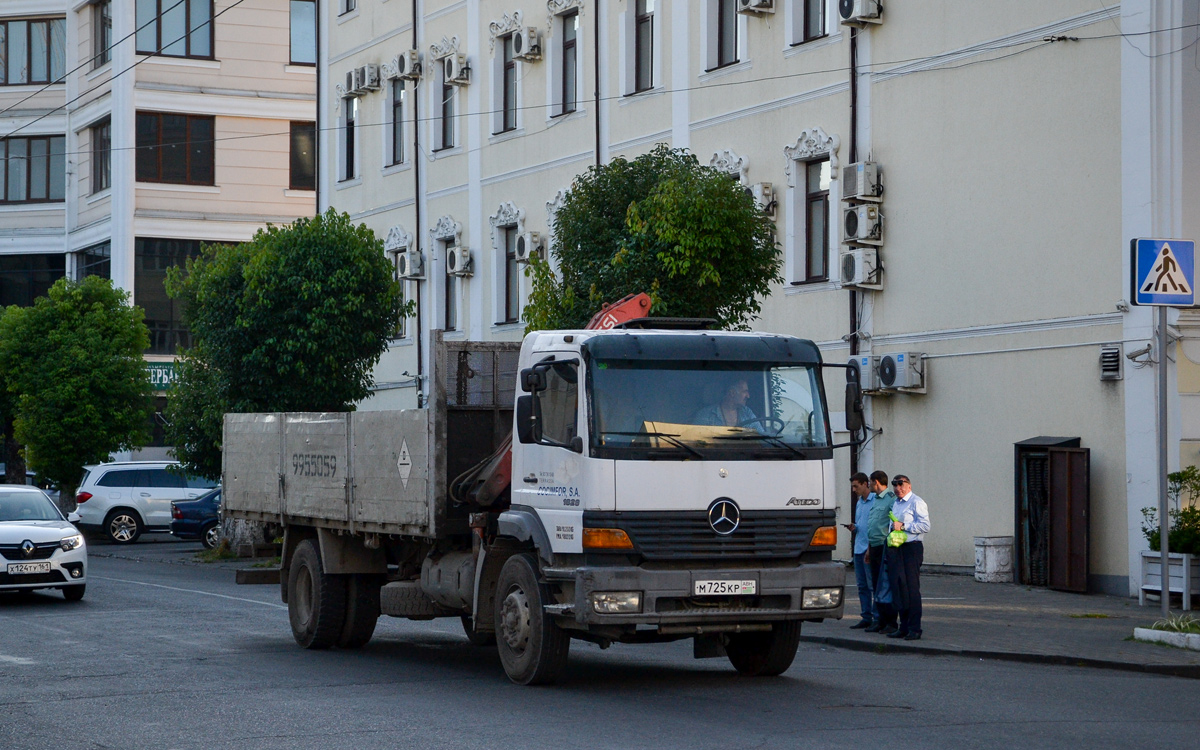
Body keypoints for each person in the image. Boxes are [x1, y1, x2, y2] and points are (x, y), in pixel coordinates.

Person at [885, 474, 930, 641]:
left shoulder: (917, 502)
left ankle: (914, 628)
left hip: (912, 548)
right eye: (895, 485)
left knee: (911, 588)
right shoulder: (896, 503)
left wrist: (904, 525)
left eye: (901, 485)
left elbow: (926, 526)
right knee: (898, 587)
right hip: (896, 547)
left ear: (909, 486)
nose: (898, 488)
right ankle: (903, 626)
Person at [864, 470, 898, 634]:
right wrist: (869, 549)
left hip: (885, 546)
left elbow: (895, 522)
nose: (868, 484)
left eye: (870, 481)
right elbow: (873, 525)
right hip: (874, 546)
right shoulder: (876, 500)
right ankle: (880, 620)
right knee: (877, 585)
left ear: (877, 482)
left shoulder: (890, 500)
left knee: (886, 585)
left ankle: (891, 621)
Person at [846, 473, 876, 629]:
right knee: (862, 585)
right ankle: (866, 616)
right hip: (859, 548)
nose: (854, 489)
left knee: (872, 585)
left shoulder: (875, 501)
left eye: (856, 486)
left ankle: (877, 618)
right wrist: (854, 527)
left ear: (866, 484)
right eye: (853, 486)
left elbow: (876, 525)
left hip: (868, 549)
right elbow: (861, 524)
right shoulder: (859, 503)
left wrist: (870, 548)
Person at [692, 376, 757, 427]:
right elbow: (696, 439)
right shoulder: (706, 414)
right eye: (745, 392)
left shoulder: (747, 412)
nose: (748, 396)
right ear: (732, 393)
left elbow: (761, 435)